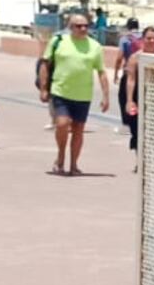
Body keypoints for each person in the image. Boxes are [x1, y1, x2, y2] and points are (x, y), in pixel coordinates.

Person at [39, 14, 110, 175]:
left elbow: (101, 72)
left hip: (83, 94)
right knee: (63, 124)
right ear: (70, 27)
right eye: (78, 26)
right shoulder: (59, 42)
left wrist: (105, 97)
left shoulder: (95, 46)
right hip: (60, 91)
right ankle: (61, 155)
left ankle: (73, 164)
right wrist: (43, 88)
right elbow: (45, 63)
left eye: (86, 25)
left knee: (78, 129)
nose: (83, 29)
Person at [124, 27, 154, 171]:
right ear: (143, 39)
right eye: (148, 38)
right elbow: (131, 80)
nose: (151, 41)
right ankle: (139, 161)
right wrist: (129, 100)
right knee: (136, 130)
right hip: (136, 97)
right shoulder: (135, 58)